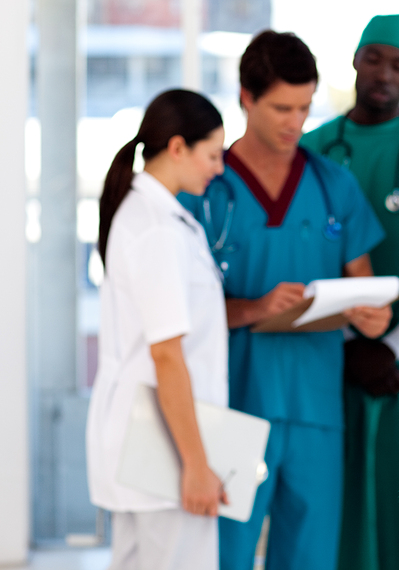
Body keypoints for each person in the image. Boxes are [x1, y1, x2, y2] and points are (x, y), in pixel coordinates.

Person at [177, 31, 390, 570]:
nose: (295, 122)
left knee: (311, 558)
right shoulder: (206, 189)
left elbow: (362, 287)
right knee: (224, 555)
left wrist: (372, 317)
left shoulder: (332, 185)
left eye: (304, 107)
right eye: (280, 108)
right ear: (246, 98)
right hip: (232, 407)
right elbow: (174, 314)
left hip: (316, 409)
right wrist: (254, 309)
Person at [302, 14, 399, 570]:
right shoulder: (313, 149)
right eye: (375, 59)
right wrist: (347, 340)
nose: (385, 74)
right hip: (326, 357)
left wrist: (393, 345)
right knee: (329, 506)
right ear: (356, 61)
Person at [86, 89, 227, 570]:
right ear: (176, 147)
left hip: (143, 439)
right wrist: (196, 465)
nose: (219, 168)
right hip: (162, 449)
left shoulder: (148, 214)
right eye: (212, 155)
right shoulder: (157, 229)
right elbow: (167, 355)